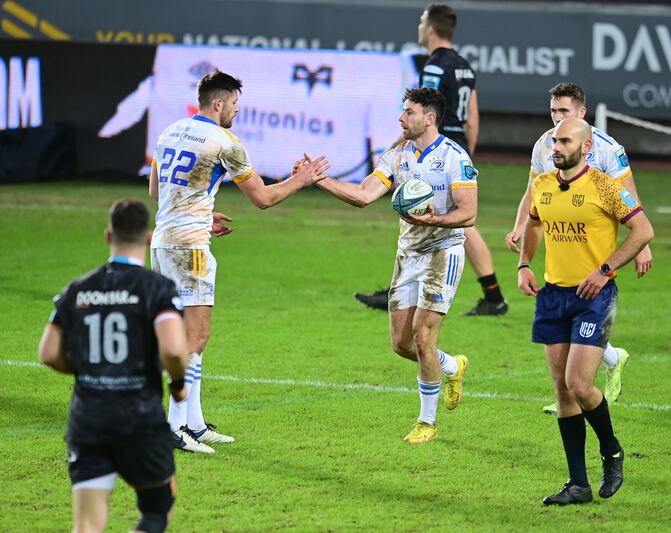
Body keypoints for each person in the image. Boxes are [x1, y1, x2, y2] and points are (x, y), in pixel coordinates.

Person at [148, 70, 330, 453]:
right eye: (234, 103)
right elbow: (262, 198)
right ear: (219, 103)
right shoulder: (225, 142)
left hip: (164, 243)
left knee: (190, 336)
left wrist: (201, 215)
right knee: (195, 337)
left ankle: (193, 424)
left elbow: (156, 190)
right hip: (191, 250)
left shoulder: (170, 131)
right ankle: (174, 426)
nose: (236, 110)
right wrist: (302, 179)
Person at [316, 87, 475, 443]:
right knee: (402, 344)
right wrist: (320, 180)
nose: (401, 119)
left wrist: (436, 220)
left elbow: (469, 212)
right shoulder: (398, 155)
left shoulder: (454, 158)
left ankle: (427, 422)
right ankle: (452, 366)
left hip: (443, 251)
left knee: (423, 336)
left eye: (408, 112)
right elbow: (363, 195)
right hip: (408, 255)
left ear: (429, 118)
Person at [517, 118, 654, 505]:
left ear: (586, 147)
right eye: (553, 141)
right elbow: (532, 224)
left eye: (564, 141)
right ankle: (577, 484)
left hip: (594, 295)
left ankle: (611, 450)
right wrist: (524, 264)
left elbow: (643, 231)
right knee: (562, 391)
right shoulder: (543, 185)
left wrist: (605, 270)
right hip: (552, 296)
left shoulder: (606, 188)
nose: (555, 147)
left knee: (579, 384)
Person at [38, 199, 190, 533]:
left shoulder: (78, 290)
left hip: (89, 419)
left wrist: (89, 369)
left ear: (108, 237)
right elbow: (175, 350)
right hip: (139, 420)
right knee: (156, 509)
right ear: (148, 238)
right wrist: (178, 384)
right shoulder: (157, 289)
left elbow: (48, 353)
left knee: (88, 525)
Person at [506, 82, 653, 414]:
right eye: (554, 111)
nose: (557, 118)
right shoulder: (545, 145)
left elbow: (626, 190)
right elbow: (533, 192)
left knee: (583, 308)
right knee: (568, 309)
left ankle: (580, 387)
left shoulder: (606, 148)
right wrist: (520, 226)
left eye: (564, 112)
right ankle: (578, 385)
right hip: (562, 234)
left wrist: (642, 245)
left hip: (597, 245)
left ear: (582, 113)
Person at [355, 3, 507, 316]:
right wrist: (467, 153)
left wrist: (397, 146)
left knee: (419, 212)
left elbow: (423, 117)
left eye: (421, 22)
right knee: (457, 224)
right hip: (458, 144)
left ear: (431, 29)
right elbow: (473, 115)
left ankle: (405, 288)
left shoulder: (435, 66)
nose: (419, 27)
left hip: (436, 147)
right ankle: (491, 294)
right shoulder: (465, 65)